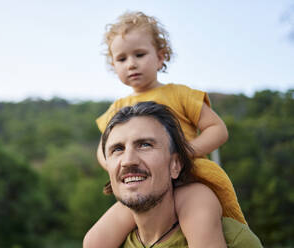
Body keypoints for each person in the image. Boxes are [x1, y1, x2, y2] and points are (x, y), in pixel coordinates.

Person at [84, 11, 246, 248]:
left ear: (160, 58)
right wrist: (115, 163)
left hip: (188, 180)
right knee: (95, 240)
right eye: (121, 59)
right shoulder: (117, 108)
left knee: (201, 223)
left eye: (139, 54)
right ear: (113, 65)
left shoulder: (179, 94)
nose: (131, 64)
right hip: (143, 189)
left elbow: (217, 129)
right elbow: (102, 148)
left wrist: (184, 152)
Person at [99, 101, 262, 247]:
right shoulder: (113, 240)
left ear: (175, 165)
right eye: (118, 149)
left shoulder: (234, 241)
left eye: (145, 145)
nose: (128, 161)